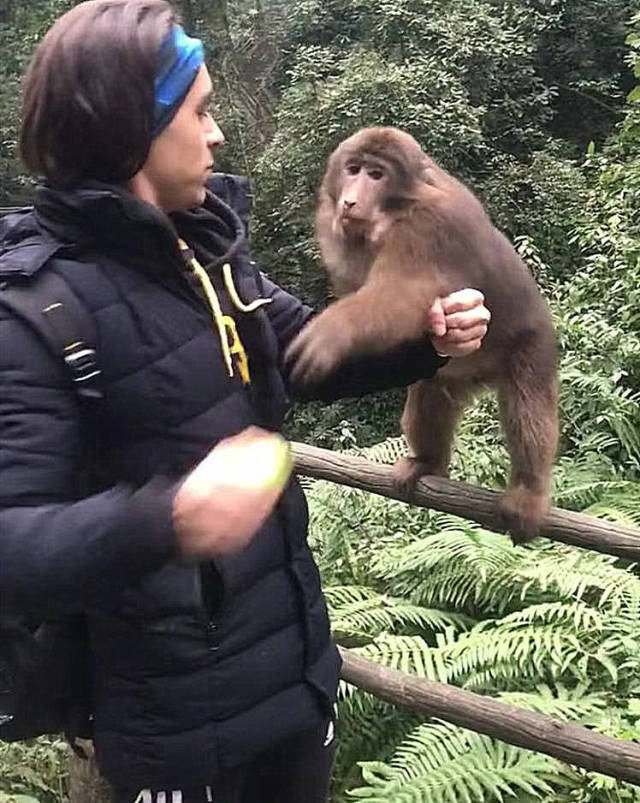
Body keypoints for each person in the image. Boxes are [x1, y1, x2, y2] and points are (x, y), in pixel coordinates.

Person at [0, 1, 491, 801]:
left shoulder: (204, 251)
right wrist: (170, 517)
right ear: (134, 129)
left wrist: (426, 342)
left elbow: (301, 356)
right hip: (171, 735)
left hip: (294, 684)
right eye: (200, 111)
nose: (218, 133)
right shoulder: (35, 309)